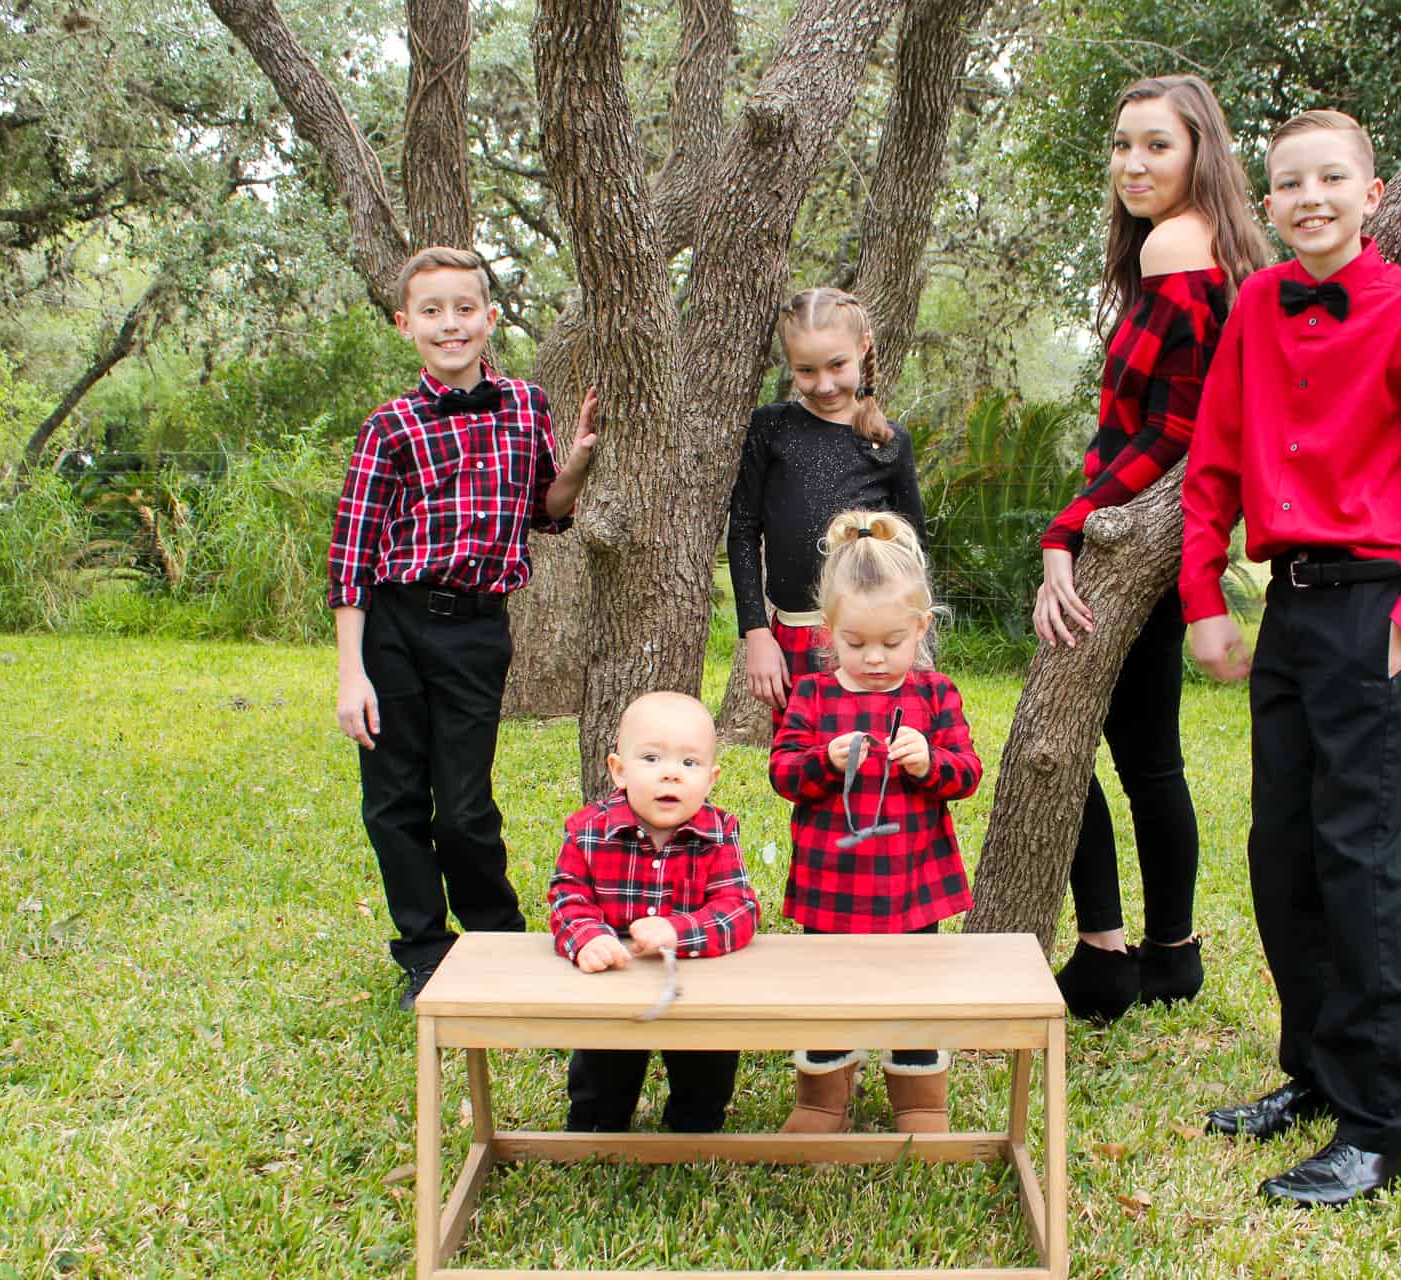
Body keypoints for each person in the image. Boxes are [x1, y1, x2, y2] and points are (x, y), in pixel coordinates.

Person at [1179, 110, 1401, 1206]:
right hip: (1286, 610)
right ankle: (1315, 1073)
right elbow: (1214, 460)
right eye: (1289, 182)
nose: (1310, 197)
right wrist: (1203, 598)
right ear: (1266, 205)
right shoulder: (1258, 309)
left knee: (1360, 861)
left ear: (1371, 195)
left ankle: (1389, 1124)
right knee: (1284, 852)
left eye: (1332, 178)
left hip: (1375, 607)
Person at [1033, 75, 1270, 1023]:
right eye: (1123, 145)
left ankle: (1101, 955)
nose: (1134, 164)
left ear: (1200, 152)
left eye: (1156, 146)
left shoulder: (1179, 245)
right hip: (1174, 540)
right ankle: (1172, 951)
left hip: (1137, 526)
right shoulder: (1215, 246)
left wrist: (1067, 527)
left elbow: (1168, 427)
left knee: (1061, 735)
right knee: (1149, 755)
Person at [329, 245, 599, 1011]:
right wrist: (354, 673)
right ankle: (424, 948)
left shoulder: (525, 405)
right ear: (405, 324)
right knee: (393, 799)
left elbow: (547, 511)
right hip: (393, 627)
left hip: (477, 629)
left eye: (464, 308)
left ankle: (497, 939)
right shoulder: (390, 426)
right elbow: (351, 552)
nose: (450, 324)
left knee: (466, 804)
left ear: (488, 316)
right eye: (431, 311)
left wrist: (576, 462)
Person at [768, 511, 980, 1134]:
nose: (875, 658)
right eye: (857, 644)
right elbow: (783, 775)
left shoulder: (936, 694)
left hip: (913, 887)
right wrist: (824, 760)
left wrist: (928, 762)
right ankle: (821, 1098)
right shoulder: (812, 695)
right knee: (826, 996)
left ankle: (919, 1101)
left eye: (892, 642)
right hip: (831, 887)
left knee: (917, 996)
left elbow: (965, 774)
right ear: (828, 633)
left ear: (920, 628)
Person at [547, 692, 760, 1133]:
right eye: (651, 758)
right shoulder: (589, 830)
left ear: (711, 778)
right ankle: (596, 1129)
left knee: (707, 1068)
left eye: (689, 763)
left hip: (697, 985)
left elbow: (738, 908)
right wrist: (588, 936)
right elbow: (568, 896)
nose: (670, 774)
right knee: (603, 1068)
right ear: (618, 770)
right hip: (616, 977)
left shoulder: (719, 834)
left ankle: (694, 1129)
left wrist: (678, 930)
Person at [727, 288, 927, 730]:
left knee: (881, 752)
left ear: (863, 347)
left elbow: (915, 548)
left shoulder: (889, 442)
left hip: (874, 636)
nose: (824, 384)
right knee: (807, 761)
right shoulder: (772, 427)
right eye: (806, 370)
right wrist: (756, 633)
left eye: (837, 365)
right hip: (795, 632)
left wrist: (909, 637)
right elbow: (743, 530)